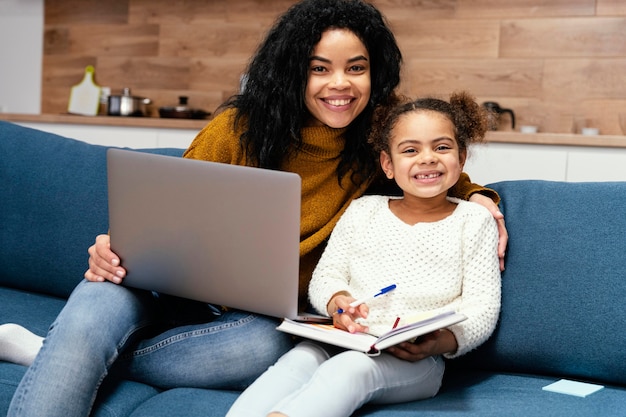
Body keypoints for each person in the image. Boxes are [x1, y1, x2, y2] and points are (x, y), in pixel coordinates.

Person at [3, 1, 505, 416]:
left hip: (250, 321)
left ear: (376, 74)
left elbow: (436, 167)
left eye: (357, 68)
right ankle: (75, 347)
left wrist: (482, 197)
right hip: (161, 282)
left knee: (263, 349)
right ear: (294, 73)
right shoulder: (240, 128)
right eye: (319, 68)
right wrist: (114, 245)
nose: (340, 84)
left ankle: (63, 353)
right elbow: (167, 202)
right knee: (94, 306)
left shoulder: (377, 145)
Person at [225, 91, 502, 417]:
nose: (427, 158)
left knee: (349, 371)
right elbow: (326, 277)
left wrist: (441, 342)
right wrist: (336, 302)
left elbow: (483, 309)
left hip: (419, 362)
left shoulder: (474, 220)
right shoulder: (362, 212)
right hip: (345, 339)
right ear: (388, 164)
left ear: (462, 157)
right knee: (296, 361)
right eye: (410, 150)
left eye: (442, 147)